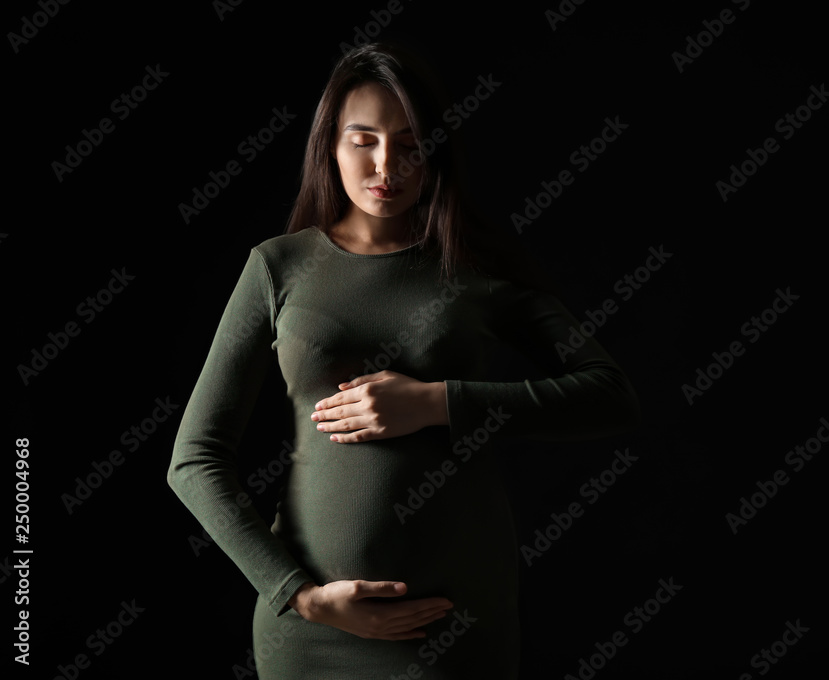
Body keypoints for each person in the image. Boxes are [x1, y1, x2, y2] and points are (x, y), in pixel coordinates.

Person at [167, 42, 641, 679]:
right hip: (311, 635)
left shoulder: (476, 266)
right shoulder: (278, 268)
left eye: (410, 142)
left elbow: (610, 395)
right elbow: (193, 460)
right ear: (329, 145)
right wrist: (297, 596)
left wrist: (437, 402)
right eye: (363, 139)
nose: (385, 164)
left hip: (454, 628)